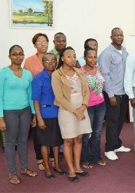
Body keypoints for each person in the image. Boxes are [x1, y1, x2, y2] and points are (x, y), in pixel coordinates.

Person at [0, 45, 37, 184]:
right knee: (11, 143)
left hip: (25, 111)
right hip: (9, 112)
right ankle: (12, 173)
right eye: (14, 54)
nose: (18, 57)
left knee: (23, 141)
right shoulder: (3, 73)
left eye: (20, 54)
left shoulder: (27, 73)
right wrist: (1, 117)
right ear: (9, 56)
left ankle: (24, 168)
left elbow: (30, 95)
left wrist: (34, 113)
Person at [52, 47, 92, 182]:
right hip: (67, 110)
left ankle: (77, 166)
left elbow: (86, 91)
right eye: (69, 56)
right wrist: (76, 111)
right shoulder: (56, 74)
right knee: (69, 140)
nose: (73, 58)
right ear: (62, 58)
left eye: (74, 56)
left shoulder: (78, 72)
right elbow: (60, 97)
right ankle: (71, 170)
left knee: (79, 138)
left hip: (81, 107)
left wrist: (83, 107)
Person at [32, 53, 66, 179]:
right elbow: (35, 100)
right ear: (42, 62)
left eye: (53, 61)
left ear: (57, 62)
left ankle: (56, 165)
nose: (51, 63)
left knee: (57, 142)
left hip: (59, 114)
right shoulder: (38, 78)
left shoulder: (59, 76)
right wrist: (39, 118)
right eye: (47, 61)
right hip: (45, 115)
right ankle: (47, 168)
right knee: (45, 143)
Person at [24, 32, 55, 172]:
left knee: (53, 131)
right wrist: (34, 112)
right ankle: (40, 159)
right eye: (39, 42)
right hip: (37, 101)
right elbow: (29, 85)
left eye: (45, 41)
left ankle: (52, 158)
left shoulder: (53, 57)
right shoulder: (29, 61)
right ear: (34, 45)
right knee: (39, 133)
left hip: (52, 101)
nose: (43, 44)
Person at [99, 27, 130, 161]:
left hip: (124, 91)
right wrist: (110, 95)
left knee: (120, 120)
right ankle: (109, 148)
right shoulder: (106, 53)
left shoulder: (124, 51)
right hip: (113, 93)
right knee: (112, 121)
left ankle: (116, 144)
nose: (119, 37)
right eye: (116, 35)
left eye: (121, 35)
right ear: (111, 37)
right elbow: (104, 75)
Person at [80, 48, 107, 168]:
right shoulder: (80, 72)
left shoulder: (99, 69)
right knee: (86, 134)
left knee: (97, 133)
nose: (93, 59)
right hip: (88, 106)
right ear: (85, 58)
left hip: (101, 105)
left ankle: (96, 157)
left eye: (94, 57)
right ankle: (84, 159)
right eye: (90, 57)